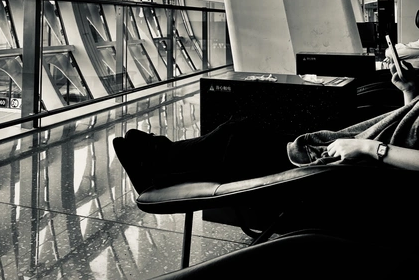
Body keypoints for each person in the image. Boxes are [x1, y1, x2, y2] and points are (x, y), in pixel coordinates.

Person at [113, 59, 419, 194]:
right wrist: (408, 91)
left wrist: (368, 147)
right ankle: (160, 159)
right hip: (351, 151)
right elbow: (410, 129)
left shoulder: (369, 151)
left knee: (237, 139)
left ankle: (157, 162)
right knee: (239, 130)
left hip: (355, 166)